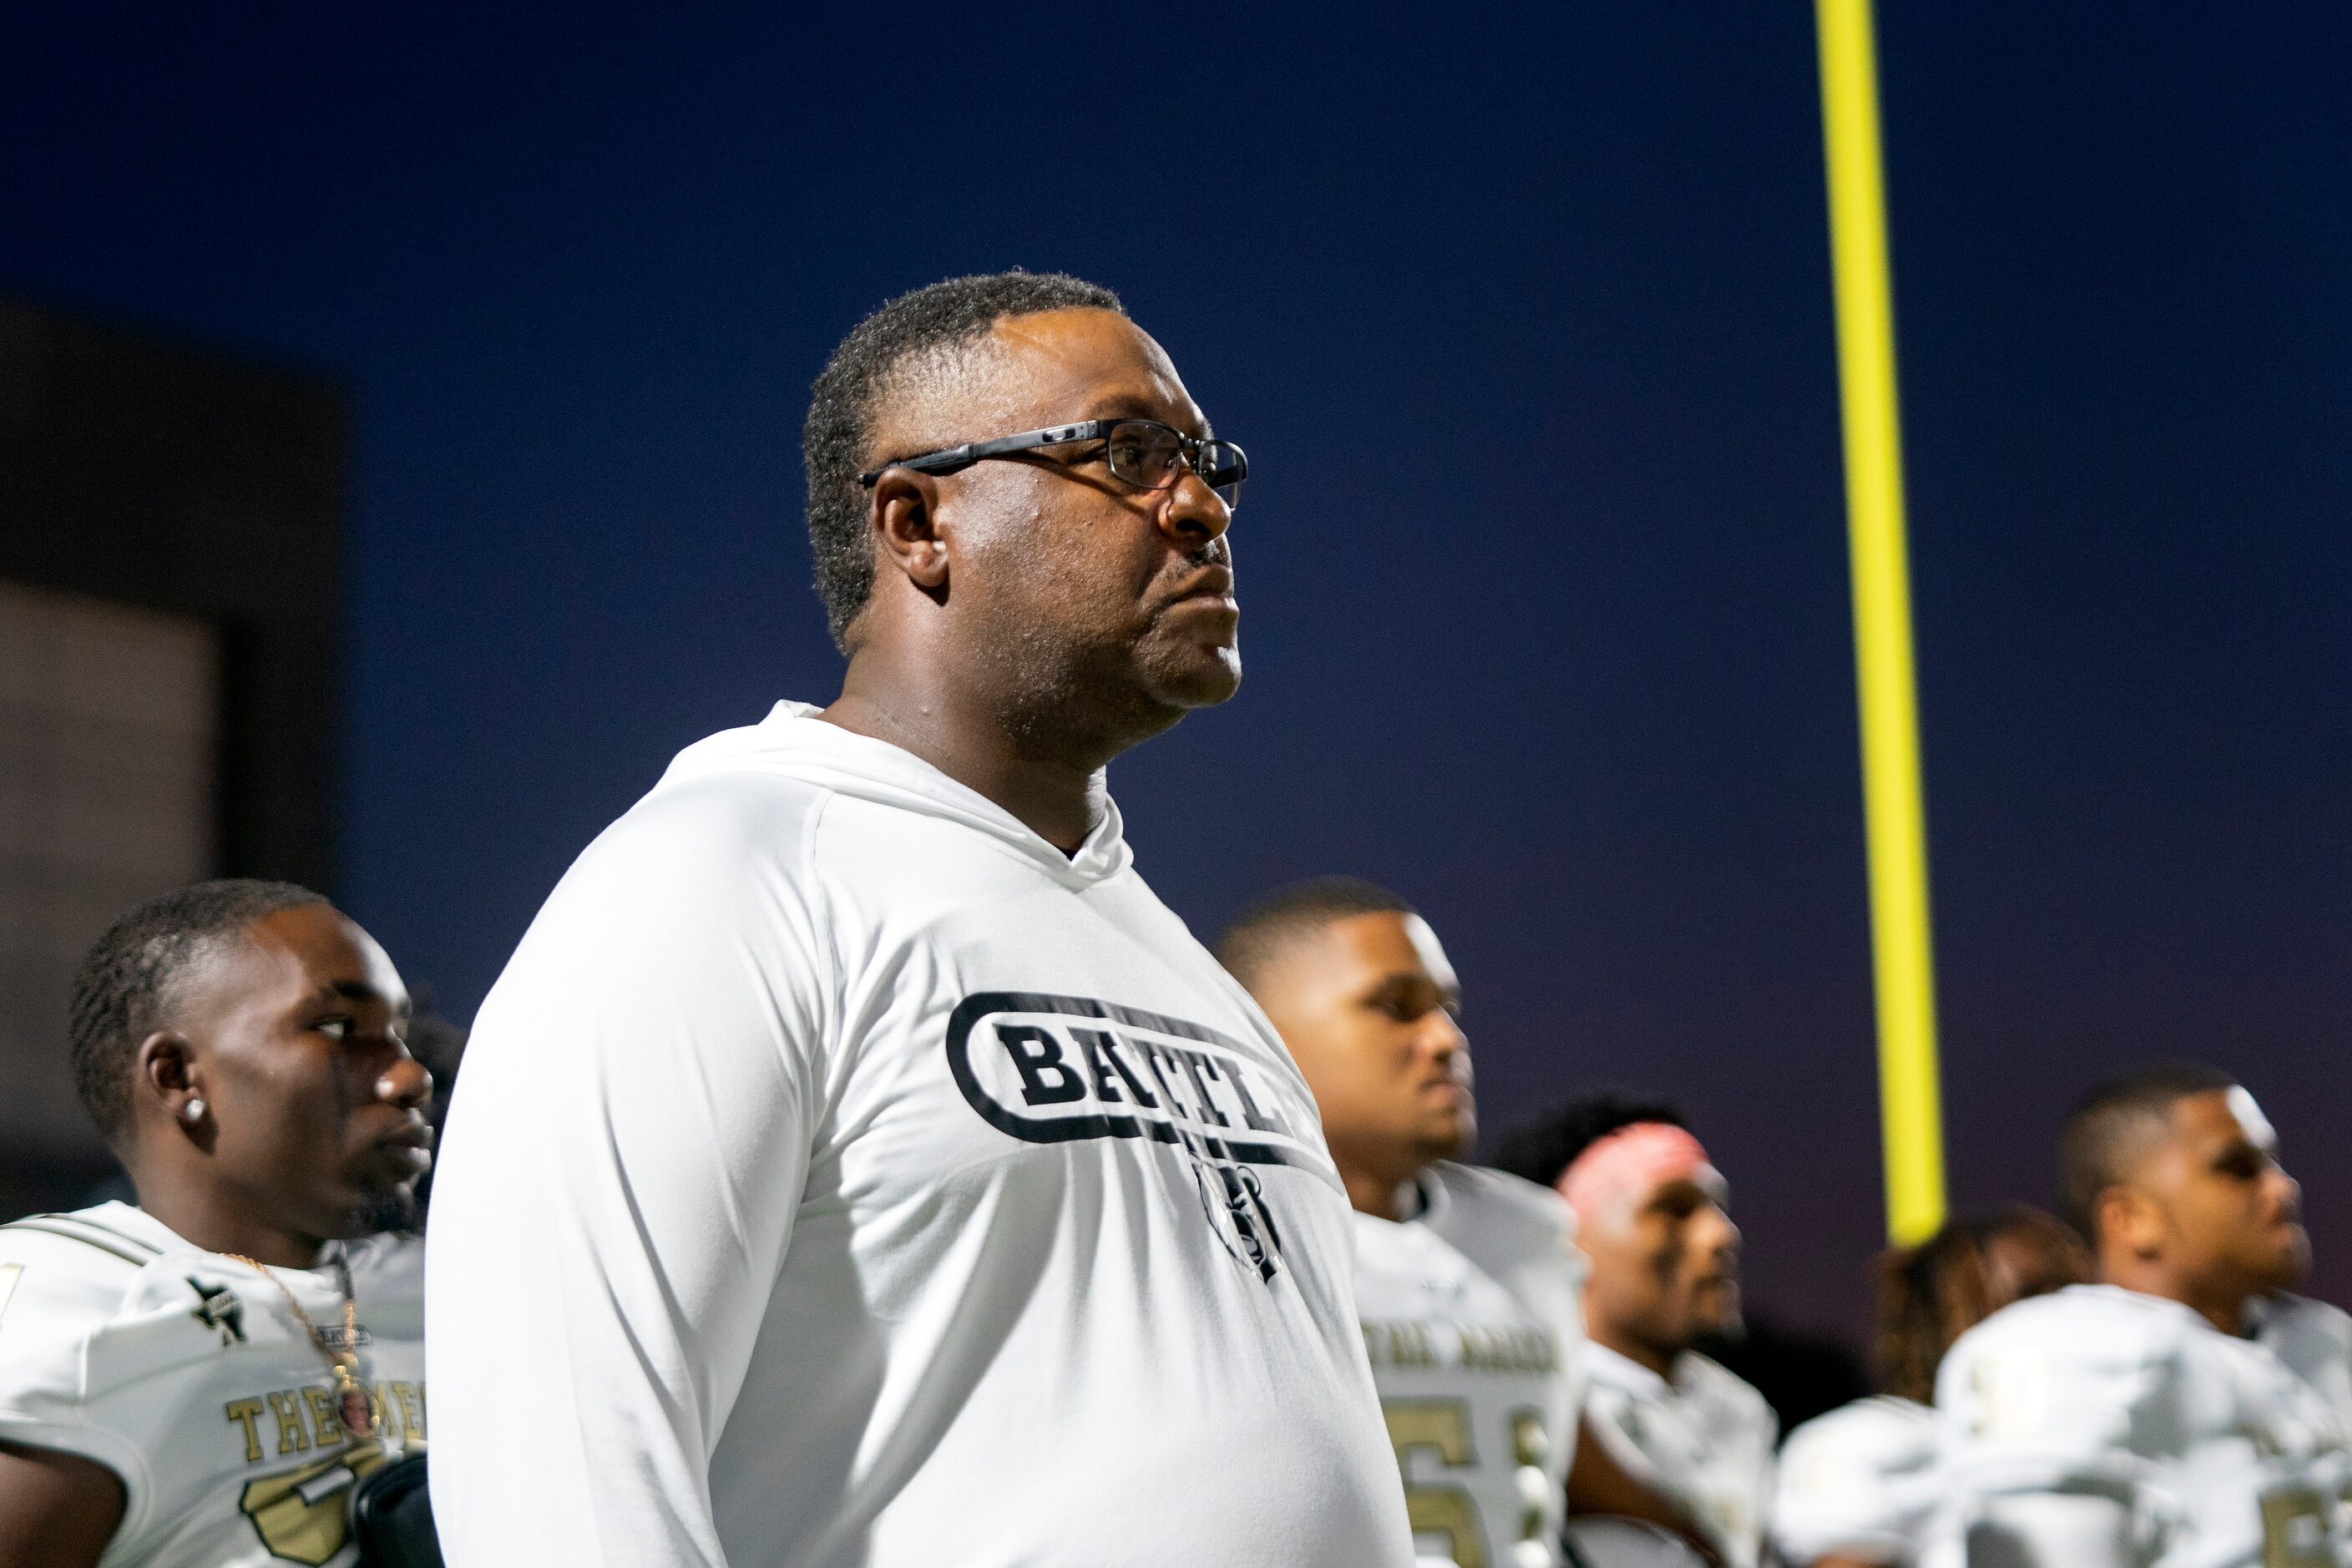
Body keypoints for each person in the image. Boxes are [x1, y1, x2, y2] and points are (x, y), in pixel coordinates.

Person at [426, 272, 1413, 1567]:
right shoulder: (718, 876)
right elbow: (561, 1481)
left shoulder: (1179, 962)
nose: (1200, 503)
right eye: (1127, 453)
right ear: (917, 522)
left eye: (1208, 462)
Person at [1218, 878, 1722, 1568]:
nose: (1445, 1039)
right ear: (1262, 1033)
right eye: (1396, 1007)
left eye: (1448, 1010)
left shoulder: (1527, 1230)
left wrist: (1701, 1542)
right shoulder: (1217, 1228)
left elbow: (1552, 1442)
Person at [0, 879, 435, 1568]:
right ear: (178, 1076)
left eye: (398, 1035)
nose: (409, 1077)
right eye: (338, 1030)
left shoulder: (450, 1290)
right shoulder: (76, 1310)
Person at [1933, 1062, 2352, 1566]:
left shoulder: (2323, 1339)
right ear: (2132, 1219)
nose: (2283, 1188)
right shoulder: (2066, 1355)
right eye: (2238, 1167)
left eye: (2273, 1163)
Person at [1494, 1096, 1776, 1568]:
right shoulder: (1524, 1394)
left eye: (1717, 1207)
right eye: (1673, 1209)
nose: (1721, 1235)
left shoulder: (1737, 1407)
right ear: (1565, 1243)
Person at [1769, 1206, 2091, 1567]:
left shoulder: (2093, 1437)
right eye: (2033, 1298)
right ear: (1948, 1314)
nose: (2068, 1319)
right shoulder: (1862, 1445)